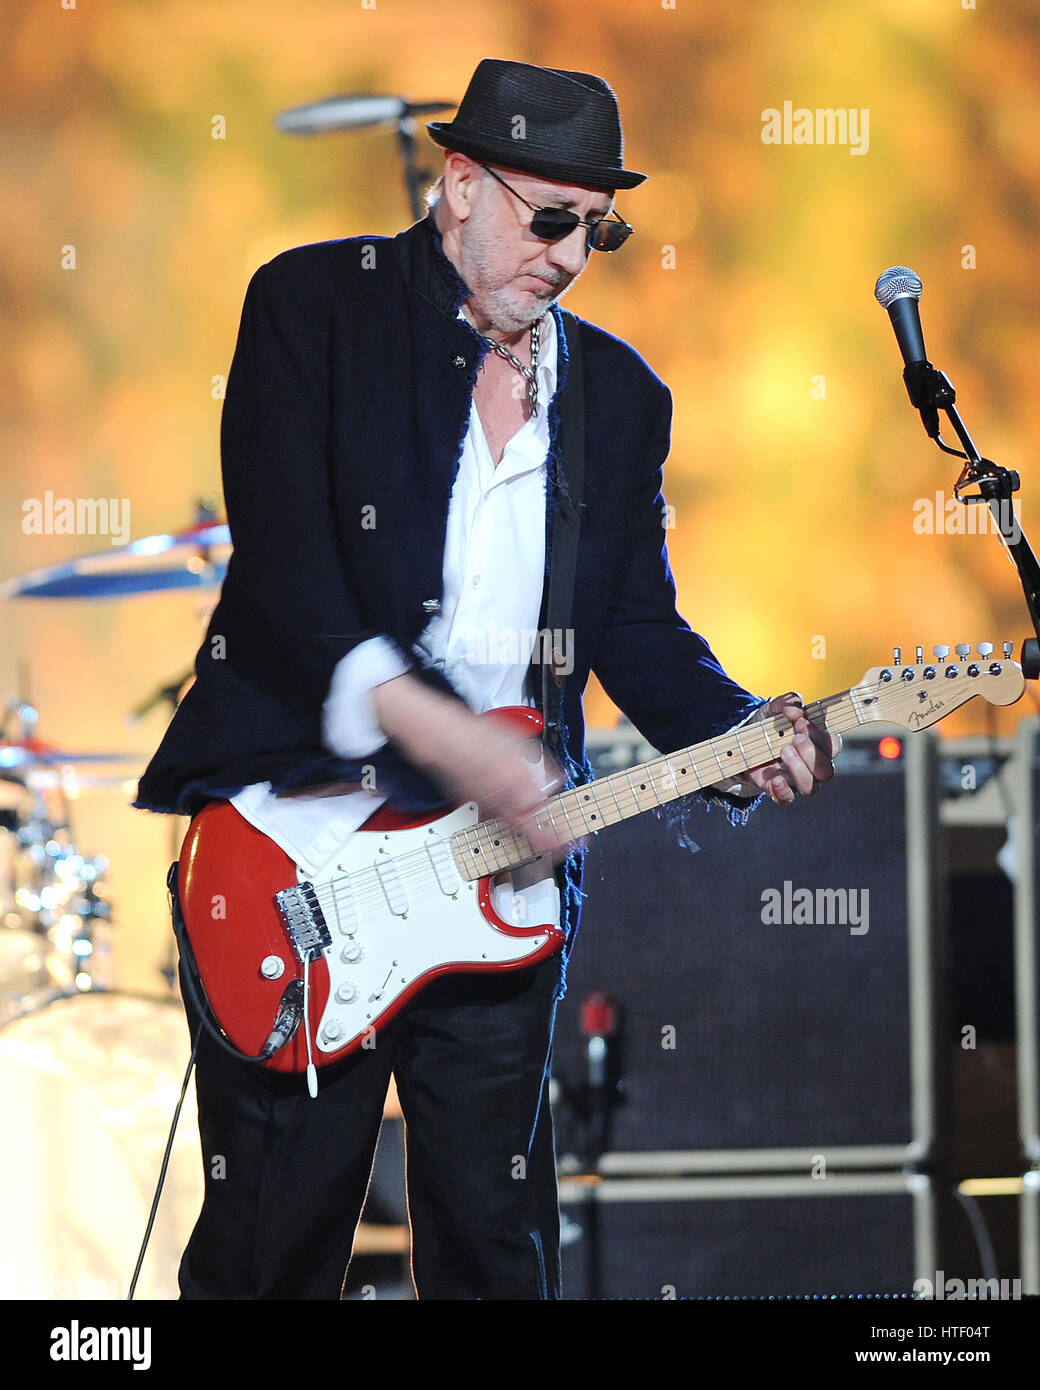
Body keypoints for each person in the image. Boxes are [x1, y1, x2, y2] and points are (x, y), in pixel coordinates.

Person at [134, 57, 839, 1300]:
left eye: (599, 229)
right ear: (456, 186)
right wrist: (442, 735)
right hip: (295, 848)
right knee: (270, 1252)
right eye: (547, 216)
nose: (571, 255)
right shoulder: (315, 308)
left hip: (497, 880)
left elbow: (635, 626)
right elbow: (292, 572)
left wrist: (743, 728)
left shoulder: (617, 396)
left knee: (495, 1256)